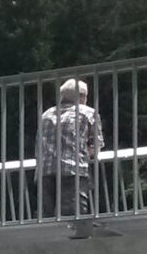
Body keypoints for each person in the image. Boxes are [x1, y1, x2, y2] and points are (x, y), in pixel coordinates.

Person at [37, 78, 101, 218]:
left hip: (45, 172)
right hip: (72, 170)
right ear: (82, 96)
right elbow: (95, 145)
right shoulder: (87, 113)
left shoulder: (45, 115)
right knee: (73, 217)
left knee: (48, 218)